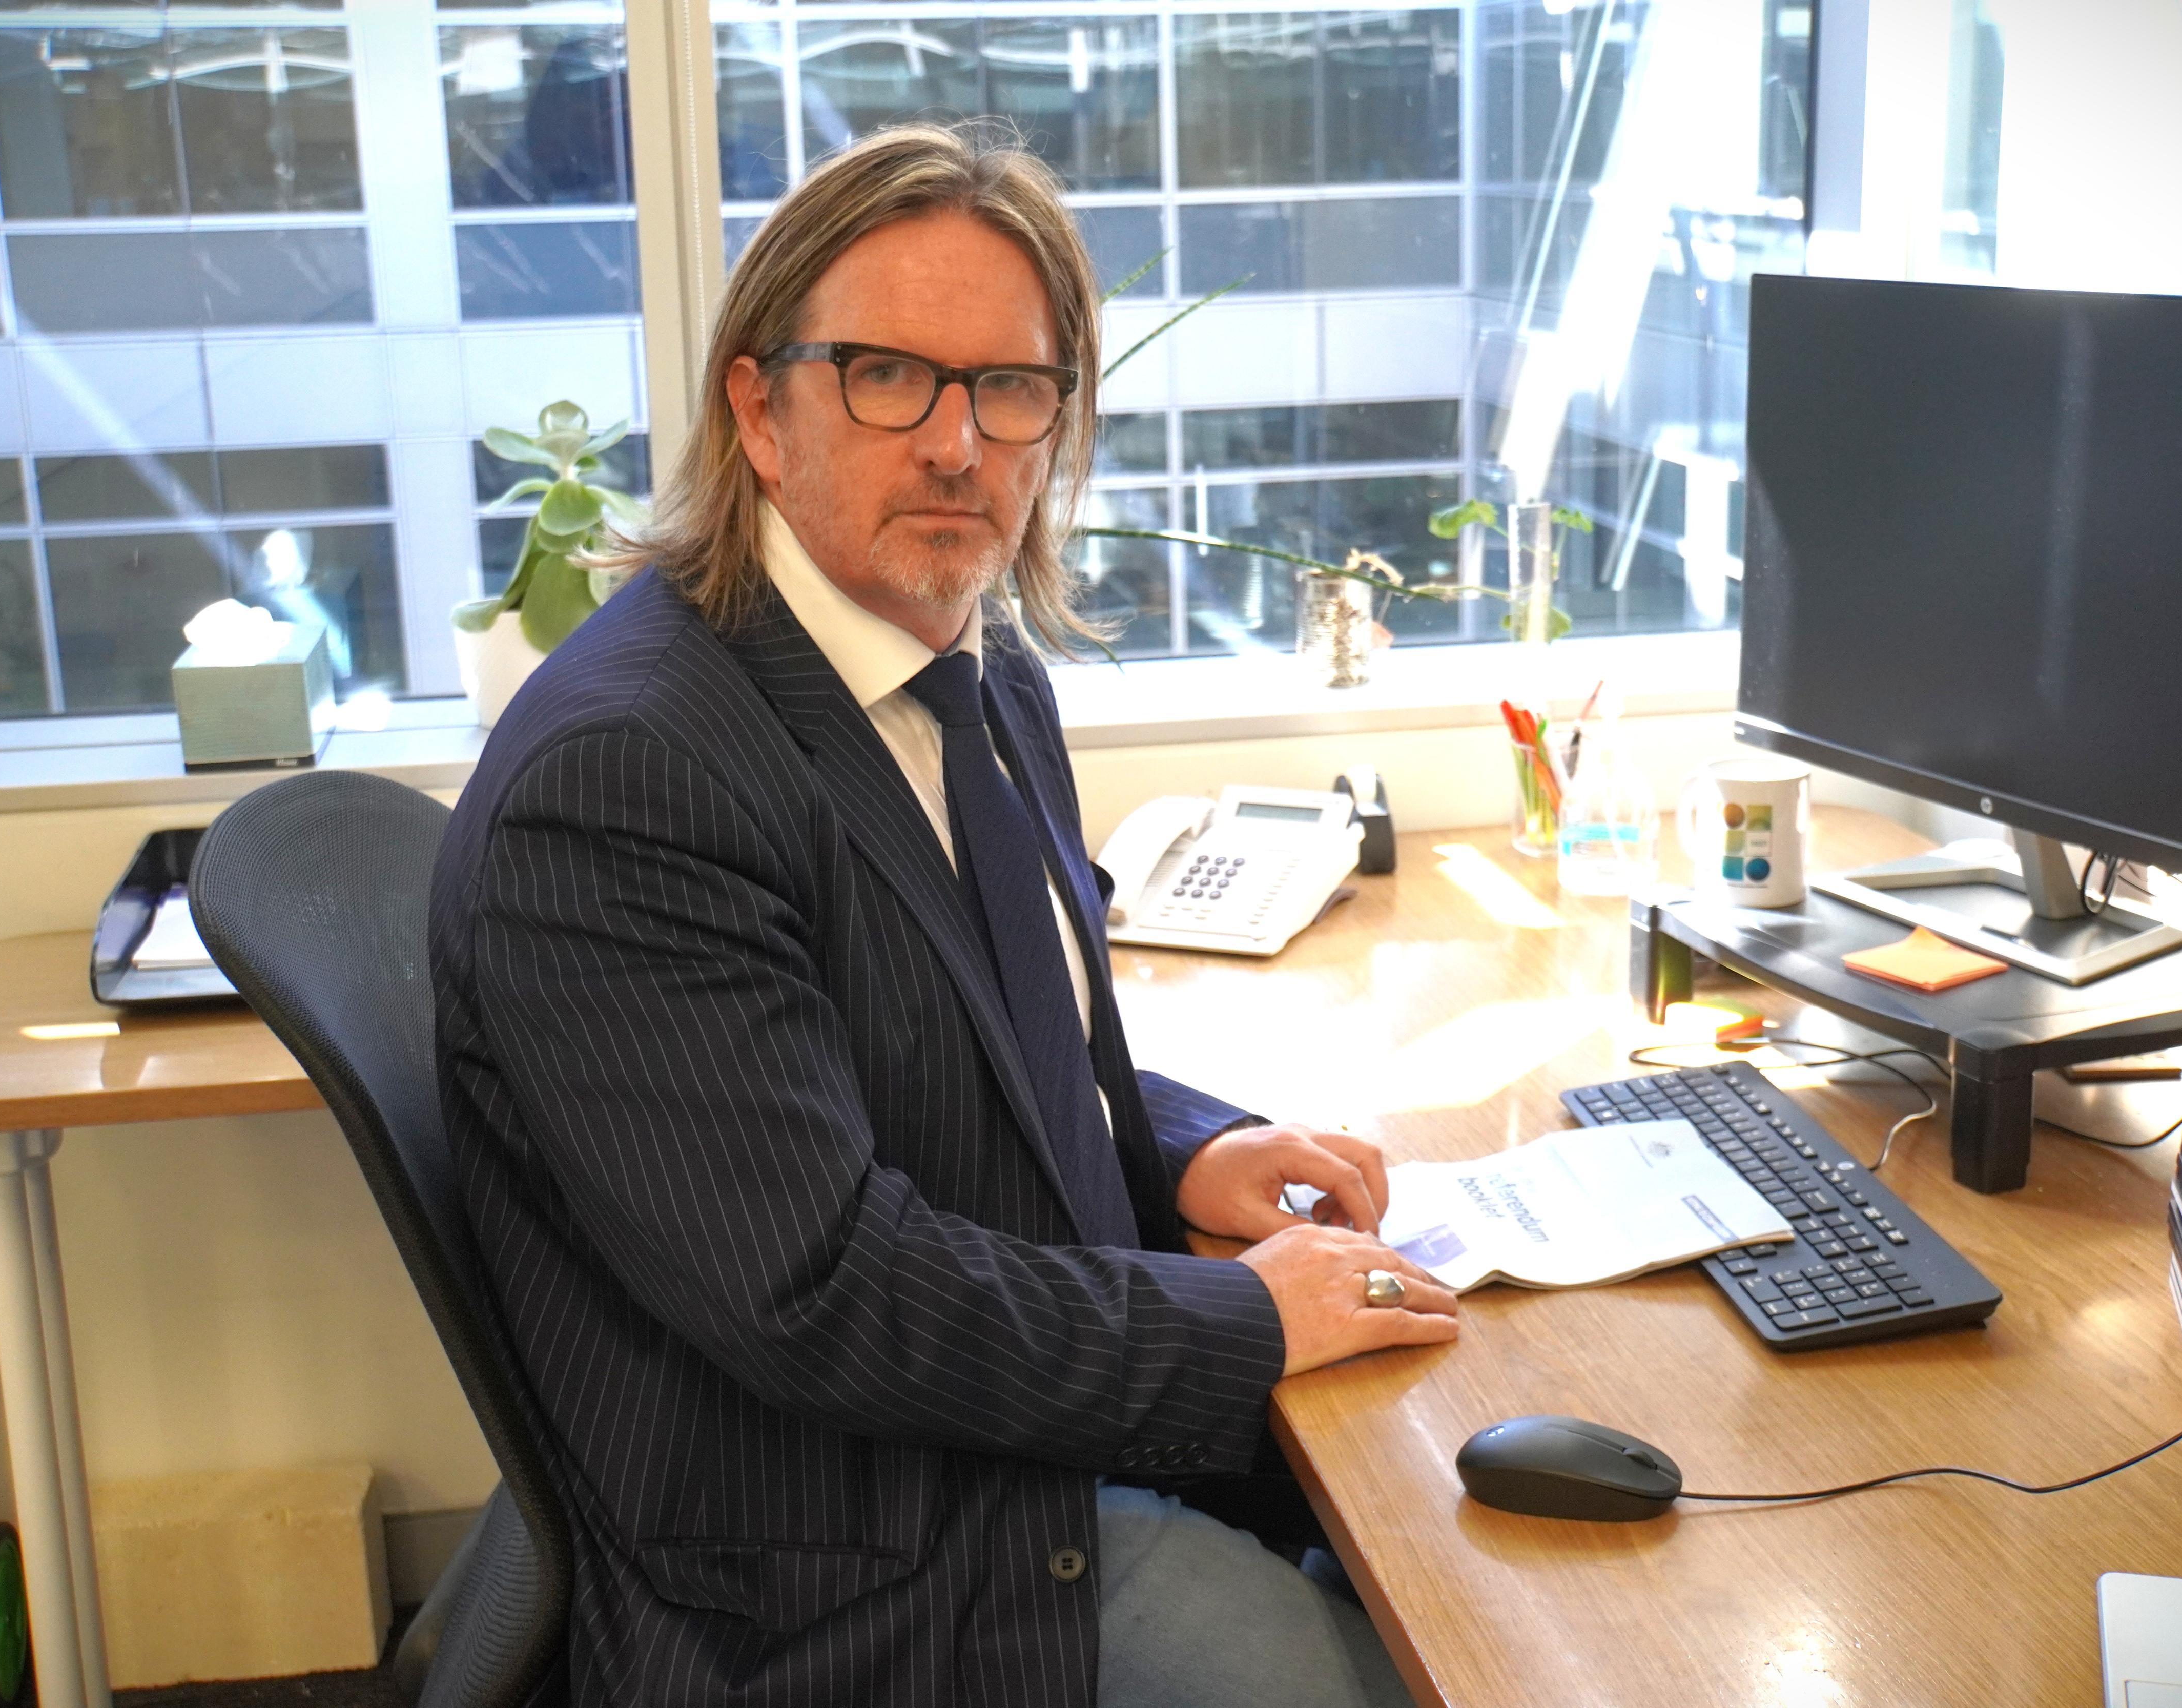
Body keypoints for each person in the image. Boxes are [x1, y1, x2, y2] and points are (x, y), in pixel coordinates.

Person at [429, 119, 1459, 1708]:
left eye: (1010, 388)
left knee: (1467, 1554)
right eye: (888, 377)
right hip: (859, 1564)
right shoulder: (631, 773)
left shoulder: (969, 669)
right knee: (1434, 1675)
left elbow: (969, 1031)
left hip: (1002, 1443)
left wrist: (1176, 1145)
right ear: (760, 412)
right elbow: (820, 1287)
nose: (959, 444)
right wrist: (1240, 1328)